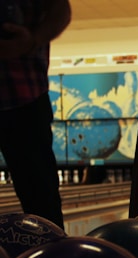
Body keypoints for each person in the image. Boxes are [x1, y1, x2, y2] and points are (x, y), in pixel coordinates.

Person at [0, 0, 72, 229]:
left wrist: (31, 41)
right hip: (26, 95)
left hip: (25, 96)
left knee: (43, 203)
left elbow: (59, 9)